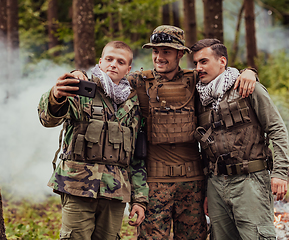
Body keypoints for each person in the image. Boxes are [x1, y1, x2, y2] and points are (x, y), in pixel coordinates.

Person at [124, 25, 259, 239]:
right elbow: (107, 82)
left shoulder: (195, 80)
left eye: (166, 51)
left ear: (180, 53)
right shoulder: (139, 81)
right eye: (155, 51)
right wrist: (78, 74)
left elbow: (223, 76)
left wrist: (249, 72)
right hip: (154, 183)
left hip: (193, 184)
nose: (159, 57)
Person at [37, 41, 149, 240]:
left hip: (115, 192)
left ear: (128, 69)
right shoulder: (82, 88)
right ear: (100, 61)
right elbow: (48, 119)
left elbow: (136, 157)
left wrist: (139, 199)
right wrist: (56, 95)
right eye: (109, 59)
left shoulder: (133, 103)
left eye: (120, 61)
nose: (113, 64)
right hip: (78, 186)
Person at [191, 39, 289, 240]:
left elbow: (276, 128)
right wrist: (208, 191)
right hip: (216, 183)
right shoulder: (200, 98)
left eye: (203, 61)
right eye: (195, 63)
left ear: (222, 61)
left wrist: (280, 172)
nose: (198, 68)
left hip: (250, 181)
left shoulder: (247, 87)